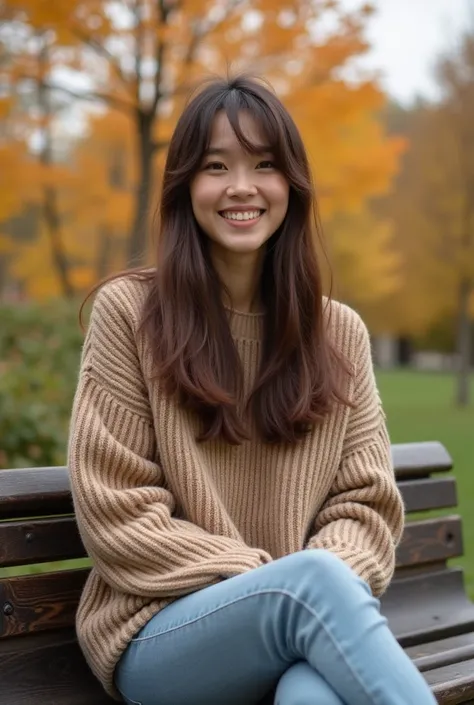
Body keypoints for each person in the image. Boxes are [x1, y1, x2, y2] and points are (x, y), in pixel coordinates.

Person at [68, 75, 436, 705]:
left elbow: (365, 508)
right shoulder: (129, 314)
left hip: (298, 624)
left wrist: (296, 590)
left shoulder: (338, 332)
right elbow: (118, 512)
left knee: (310, 697)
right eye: (216, 166)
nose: (242, 186)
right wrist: (273, 582)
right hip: (159, 636)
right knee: (311, 590)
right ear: (186, 187)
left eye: (265, 164)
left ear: (292, 184)